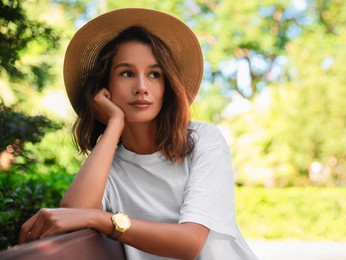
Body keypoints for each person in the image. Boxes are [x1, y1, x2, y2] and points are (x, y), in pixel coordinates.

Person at [18, 8, 259, 260]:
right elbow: (73, 216)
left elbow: (190, 243)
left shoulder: (203, 141)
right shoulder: (106, 167)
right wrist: (115, 124)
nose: (142, 87)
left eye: (154, 74)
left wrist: (102, 218)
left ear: (167, 86)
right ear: (105, 87)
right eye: (127, 73)